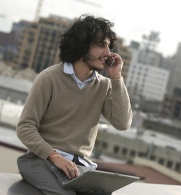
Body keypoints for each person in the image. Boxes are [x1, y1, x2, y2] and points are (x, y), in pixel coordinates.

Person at [16, 14, 132, 195]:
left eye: (109, 46)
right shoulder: (49, 78)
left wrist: (116, 78)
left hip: (79, 167)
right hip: (41, 160)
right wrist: (55, 156)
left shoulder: (104, 85)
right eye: (102, 45)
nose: (108, 53)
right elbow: (25, 127)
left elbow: (122, 123)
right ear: (82, 44)